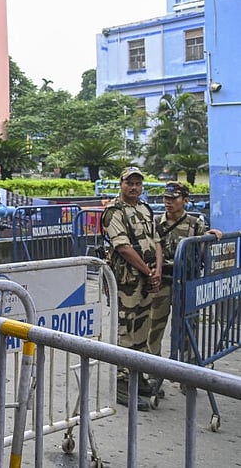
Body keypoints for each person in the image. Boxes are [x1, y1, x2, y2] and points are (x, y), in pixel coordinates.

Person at [102, 166, 163, 410]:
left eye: (138, 183)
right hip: (128, 280)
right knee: (126, 327)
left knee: (143, 326)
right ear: (121, 184)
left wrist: (157, 271)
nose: (134, 187)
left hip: (148, 278)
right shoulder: (114, 212)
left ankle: (137, 374)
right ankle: (122, 381)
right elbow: (123, 247)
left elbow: (157, 241)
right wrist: (148, 272)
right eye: (130, 183)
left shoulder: (145, 209)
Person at [148, 181, 222, 357]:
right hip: (163, 281)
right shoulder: (156, 223)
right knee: (155, 327)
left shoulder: (196, 224)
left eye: (173, 198)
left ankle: (188, 369)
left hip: (187, 283)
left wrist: (210, 238)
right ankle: (152, 370)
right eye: (166, 198)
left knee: (188, 327)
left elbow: (202, 254)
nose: (168, 202)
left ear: (185, 200)